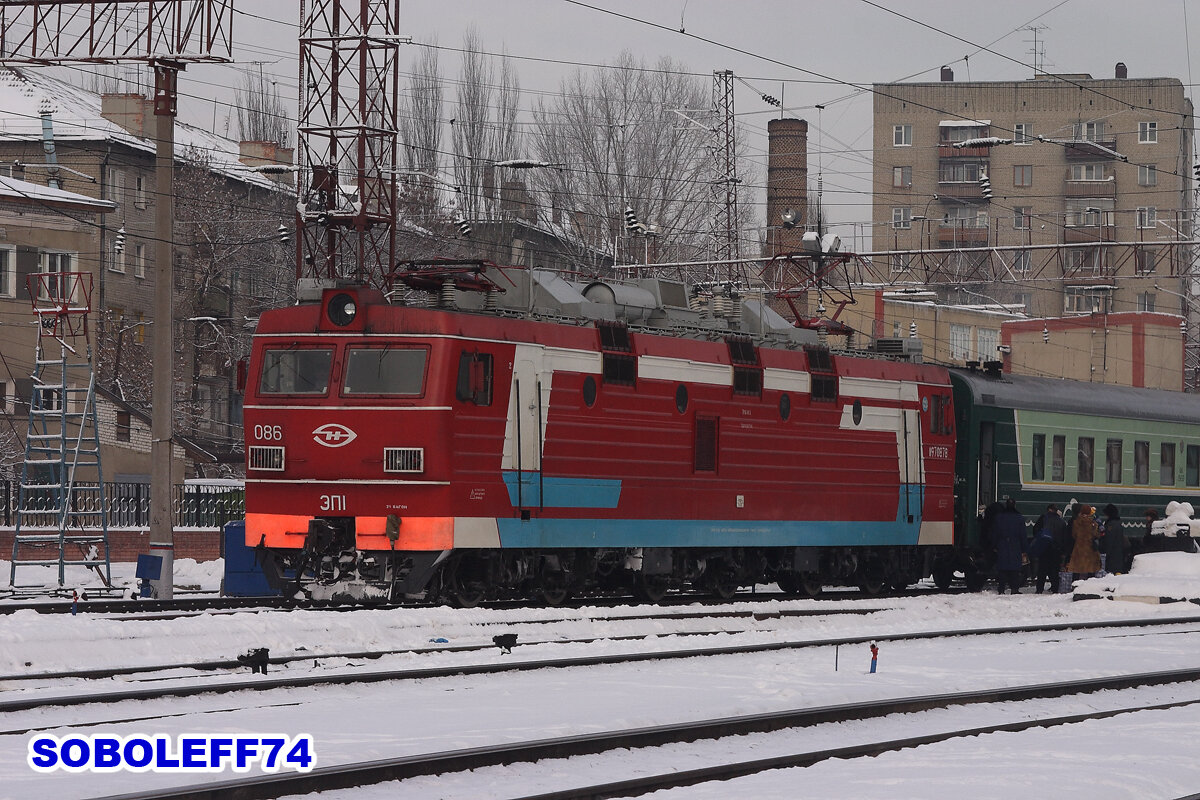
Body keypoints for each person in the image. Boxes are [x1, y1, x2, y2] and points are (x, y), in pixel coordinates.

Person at [991, 498, 1028, 594]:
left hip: (1002, 544)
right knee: (1014, 569)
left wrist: (994, 545)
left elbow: (995, 532)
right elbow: (1023, 535)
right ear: (1015, 505)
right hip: (1015, 545)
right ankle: (1014, 589)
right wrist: (1024, 549)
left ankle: (1001, 589)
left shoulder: (999, 517)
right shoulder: (1019, 517)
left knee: (1002, 568)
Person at [1030, 504, 1068, 593]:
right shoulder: (1061, 522)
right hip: (1056, 549)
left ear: (1049, 510)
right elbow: (1064, 537)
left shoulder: (1043, 518)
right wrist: (1062, 550)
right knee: (1054, 570)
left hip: (1044, 548)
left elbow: (1035, 530)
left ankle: (1039, 589)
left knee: (1042, 570)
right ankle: (1055, 588)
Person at [1065, 504, 1103, 583]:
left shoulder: (1076, 522)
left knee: (1077, 570)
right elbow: (1096, 535)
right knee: (1091, 570)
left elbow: (1074, 535)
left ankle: (1074, 586)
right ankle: (1089, 587)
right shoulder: (1093, 523)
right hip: (1090, 549)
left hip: (1078, 548)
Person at [1101, 503, 1130, 574]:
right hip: (1118, 554)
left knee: (1112, 573)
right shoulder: (1118, 523)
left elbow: (1109, 541)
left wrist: (1105, 551)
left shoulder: (1111, 525)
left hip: (1112, 556)